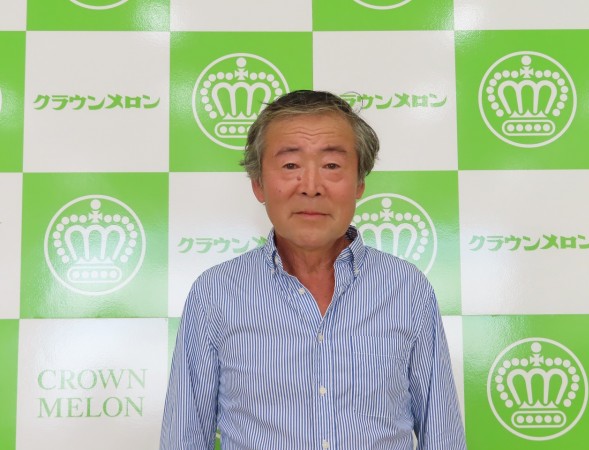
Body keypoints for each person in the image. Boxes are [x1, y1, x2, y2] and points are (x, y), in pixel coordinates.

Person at [161, 90, 466, 449]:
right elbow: (183, 437)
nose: (311, 187)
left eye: (331, 166)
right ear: (258, 184)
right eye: (291, 165)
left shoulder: (406, 288)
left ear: (359, 184)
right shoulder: (216, 293)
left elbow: (442, 435)